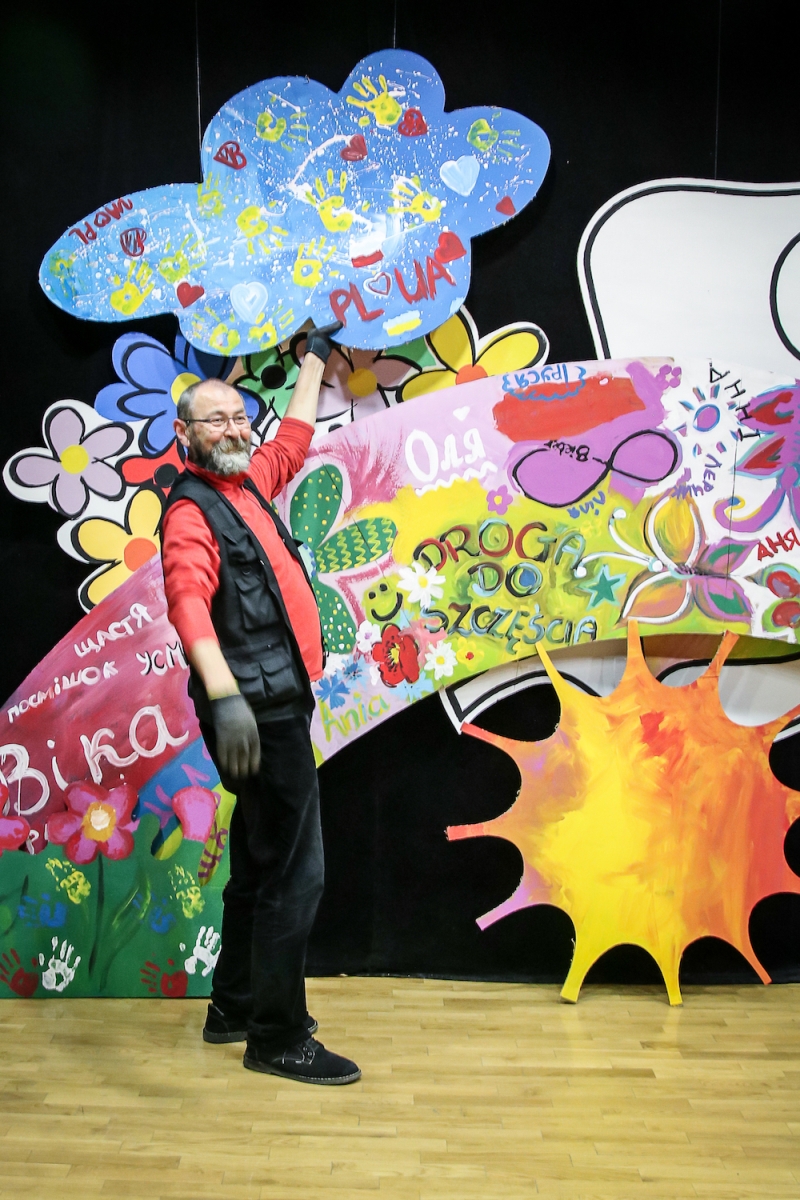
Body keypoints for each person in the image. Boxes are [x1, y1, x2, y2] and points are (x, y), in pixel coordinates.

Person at [161, 321, 361, 1085]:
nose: (234, 429)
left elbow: (296, 439)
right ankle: (276, 1037)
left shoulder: (247, 484)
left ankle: (234, 1006)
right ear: (185, 435)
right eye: (215, 420)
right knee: (295, 874)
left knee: (258, 858)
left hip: (275, 702)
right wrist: (226, 697)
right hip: (256, 712)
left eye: (239, 416)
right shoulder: (191, 511)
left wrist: (314, 360)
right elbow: (187, 601)